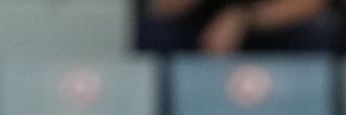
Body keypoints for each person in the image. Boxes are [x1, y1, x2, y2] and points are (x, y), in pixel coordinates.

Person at [138, 0, 332, 53]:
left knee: (316, 38)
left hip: (267, 25)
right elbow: (165, 7)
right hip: (198, 28)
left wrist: (243, 18)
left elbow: (310, 4)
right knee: (156, 35)